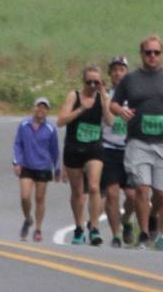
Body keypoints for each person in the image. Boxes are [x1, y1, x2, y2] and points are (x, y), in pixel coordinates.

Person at [110, 35, 163, 249]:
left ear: (161, 54)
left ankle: (154, 216)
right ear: (141, 54)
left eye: (156, 52)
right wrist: (121, 110)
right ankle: (144, 234)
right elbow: (114, 104)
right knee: (142, 189)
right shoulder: (130, 79)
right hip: (139, 142)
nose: (152, 56)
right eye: (148, 52)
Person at [58, 64, 113, 246]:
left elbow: (110, 121)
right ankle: (79, 227)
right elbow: (60, 121)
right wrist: (80, 109)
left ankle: (94, 227)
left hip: (94, 148)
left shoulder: (102, 98)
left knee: (95, 187)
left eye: (95, 82)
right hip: (74, 148)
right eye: (88, 81)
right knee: (78, 192)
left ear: (100, 83)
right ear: (83, 81)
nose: (91, 85)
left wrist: (105, 102)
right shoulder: (73, 96)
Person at [12, 96, 60, 243]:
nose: (41, 110)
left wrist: (57, 168)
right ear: (34, 108)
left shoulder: (50, 129)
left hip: (43, 167)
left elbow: (55, 150)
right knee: (25, 197)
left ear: (47, 111)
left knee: (40, 199)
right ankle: (28, 219)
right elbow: (17, 144)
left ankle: (38, 229)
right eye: (39, 106)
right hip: (26, 165)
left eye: (44, 107)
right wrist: (16, 162)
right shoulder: (24, 125)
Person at [101, 55, 136, 248]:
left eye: (121, 69)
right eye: (115, 70)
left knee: (132, 196)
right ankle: (115, 235)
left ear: (127, 72)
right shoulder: (105, 94)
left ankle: (127, 220)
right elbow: (108, 121)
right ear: (110, 73)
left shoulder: (135, 95)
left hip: (130, 149)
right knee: (112, 193)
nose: (118, 73)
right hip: (109, 148)